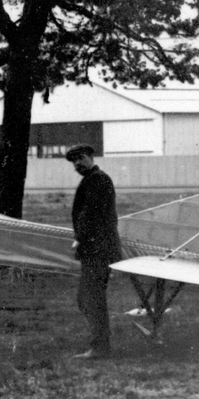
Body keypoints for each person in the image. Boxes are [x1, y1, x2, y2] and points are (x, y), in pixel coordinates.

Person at [66, 144, 121, 359]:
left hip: (99, 249)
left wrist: (80, 240)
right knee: (88, 297)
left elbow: (90, 214)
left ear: (90, 157)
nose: (77, 164)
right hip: (96, 249)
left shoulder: (98, 179)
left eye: (80, 158)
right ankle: (100, 344)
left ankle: (100, 347)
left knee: (90, 297)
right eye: (73, 161)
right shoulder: (94, 179)